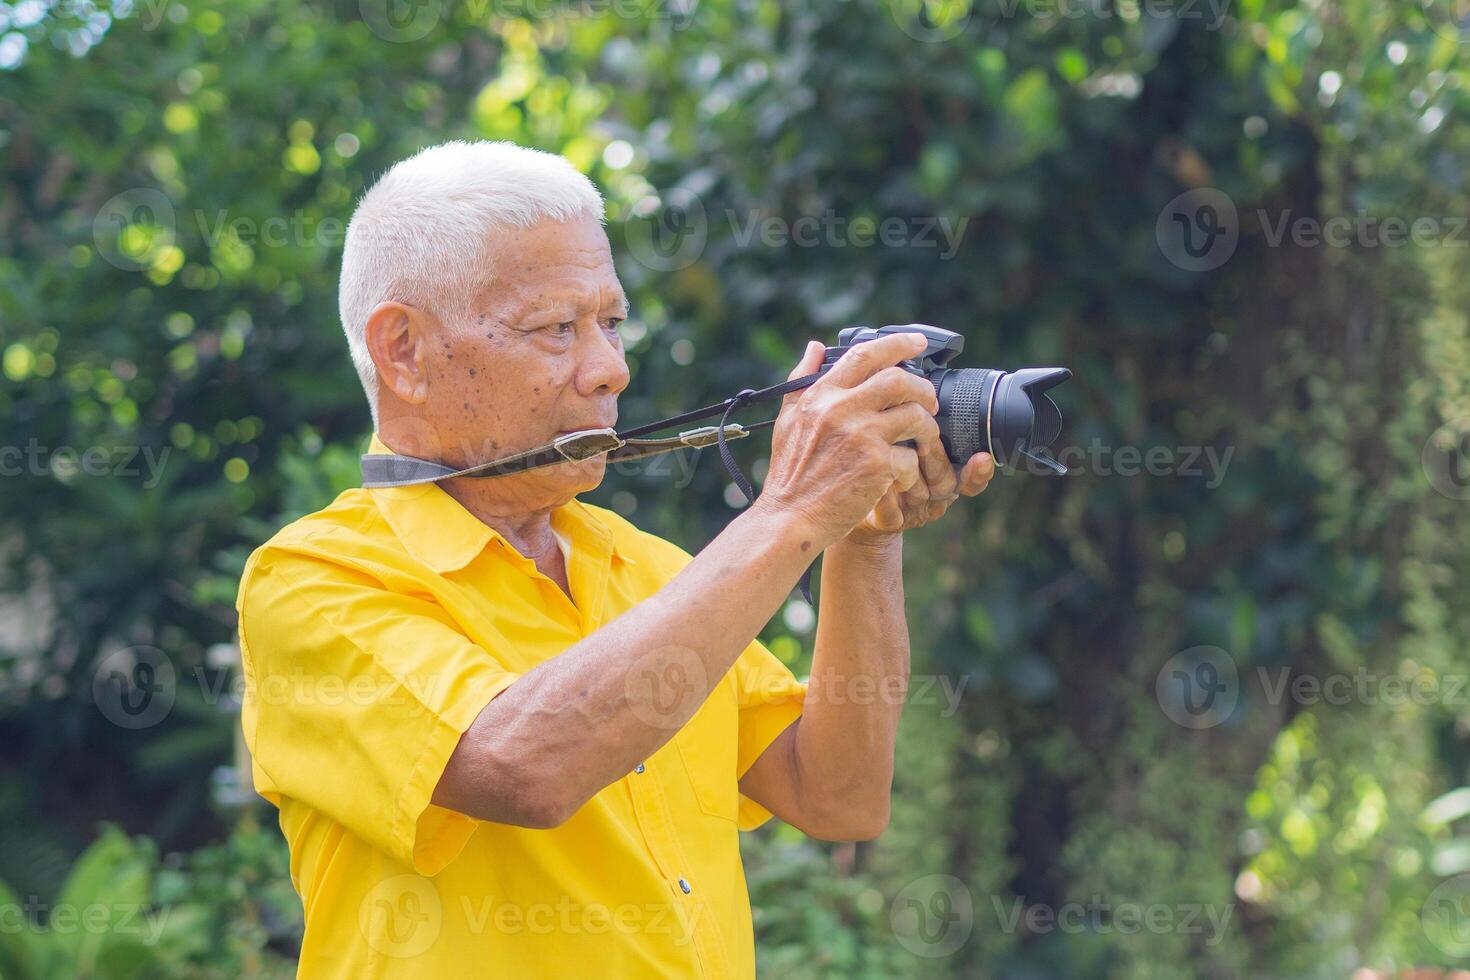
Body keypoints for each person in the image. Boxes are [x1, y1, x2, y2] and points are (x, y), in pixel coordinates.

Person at [234, 139, 995, 978]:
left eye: (612, 322)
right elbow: (523, 767)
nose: (612, 370)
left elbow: (838, 796)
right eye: (557, 328)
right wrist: (792, 511)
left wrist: (864, 534)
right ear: (404, 352)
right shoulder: (311, 581)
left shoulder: (655, 572)